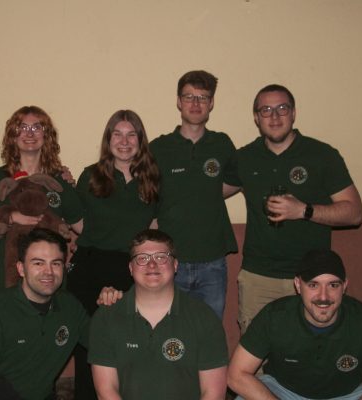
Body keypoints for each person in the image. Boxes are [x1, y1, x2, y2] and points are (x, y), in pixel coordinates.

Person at [224, 84, 362, 333]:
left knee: (309, 348)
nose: (274, 117)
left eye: (282, 108)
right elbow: (205, 194)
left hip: (312, 277)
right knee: (256, 350)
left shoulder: (321, 155)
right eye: (266, 110)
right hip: (258, 277)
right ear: (256, 117)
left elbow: (354, 213)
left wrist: (304, 211)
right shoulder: (244, 158)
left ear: (294, 113)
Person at [228, 249, 362, 400]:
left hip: (347, 395)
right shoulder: (275, 316)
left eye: (333, 285)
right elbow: (236, 375)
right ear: (298, 285)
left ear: (345, 285)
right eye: (313, 285)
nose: (323, 296)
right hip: (283, 392)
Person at [67, 109, 159, 399]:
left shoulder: (152, 179)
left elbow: (154, 226)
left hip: (132, 269)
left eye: (131, 135)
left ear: (141, 140)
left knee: (129, 343)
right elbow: (78, 223)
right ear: (108, 140)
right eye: (117, 134)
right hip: (90, 266)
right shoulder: (91, 175)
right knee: (89, 343)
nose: (124, 141)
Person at [0, 228, 91, 400]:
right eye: (38, 263)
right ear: (21, 269)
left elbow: (103, 342)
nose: (48, 272)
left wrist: (115, 304)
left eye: (55, 263)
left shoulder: (70, 307)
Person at [89, 229, 229, 400]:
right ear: (131, 268)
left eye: (161, 257)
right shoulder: (106, 317)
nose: (152, 265)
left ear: (175, 265)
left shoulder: (204, 317)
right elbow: (106, 391)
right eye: (142, 258)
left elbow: (214, 394)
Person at [149, 70, 237, 319]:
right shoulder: (159, 148)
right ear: (179, 102)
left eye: (203, 97)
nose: (196, 103)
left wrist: (206, 192)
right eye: (189, 97)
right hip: (170, 261)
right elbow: (144, 192)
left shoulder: (222, 144)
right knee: (168, 329)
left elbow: (236, 181)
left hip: (213, 261)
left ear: (211, 103)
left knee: (209, 331)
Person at [0, 105, 82, 296]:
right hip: (6, 280)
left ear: (46, 135)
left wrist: (68, 257)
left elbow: (82, 227)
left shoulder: (59, 180)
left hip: (49, 281)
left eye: (37, 127)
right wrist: (10, 219)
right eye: (22, 127)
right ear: (13, 135)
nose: (29, 133)